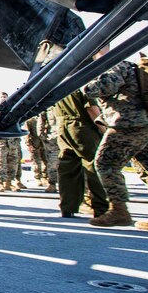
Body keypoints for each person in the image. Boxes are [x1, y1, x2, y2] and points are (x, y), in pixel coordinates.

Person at [82, 56, 148, 232]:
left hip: (128, 124)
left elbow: (104, 87)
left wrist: (86, 86)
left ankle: (119, 211)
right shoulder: (136, 68)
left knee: (106, 163)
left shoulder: (117, 66)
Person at [53, 90, 109, 218]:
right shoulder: (82, 82)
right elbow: (92, 110)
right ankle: (101, 208)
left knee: (68, 167)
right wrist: (105, 130)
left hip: (62, 128)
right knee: (93, 166)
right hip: (83, 127)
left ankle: (68, 207)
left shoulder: (58, 85)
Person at [0, 92, 24, 192]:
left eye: (5, 98)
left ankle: (9, 183)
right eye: (2, 97)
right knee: (0, 163)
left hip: (12, 142)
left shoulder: (14, 111)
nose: (3, 99)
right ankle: (0, 183)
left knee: (13, 163)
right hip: (1, 142)